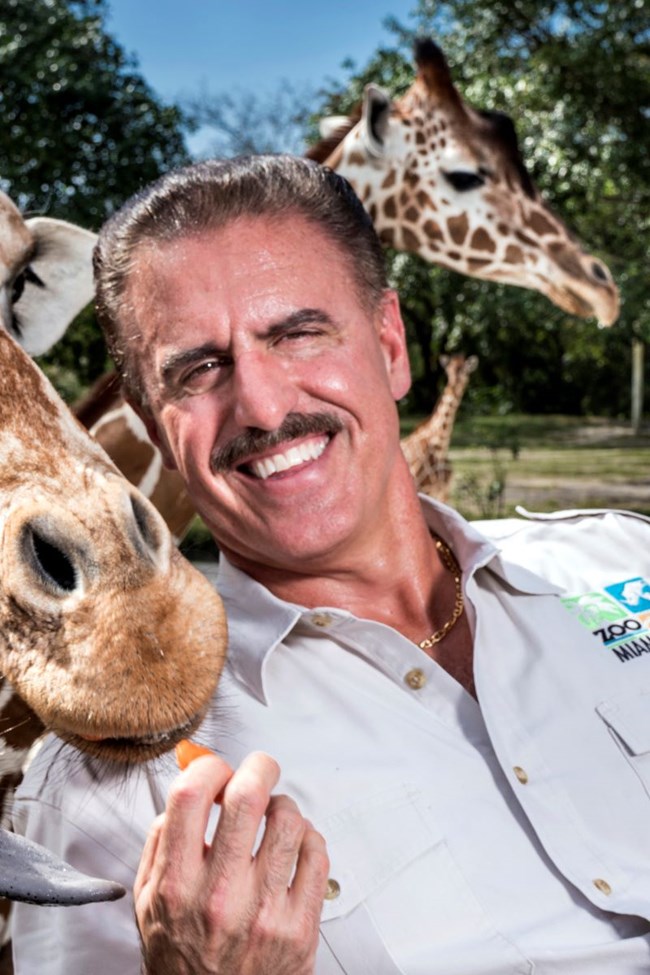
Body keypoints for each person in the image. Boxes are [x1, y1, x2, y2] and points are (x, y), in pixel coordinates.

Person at [11, 155, 650, 975]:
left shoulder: (621, 556)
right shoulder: (111, 782)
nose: (267, 407)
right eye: (199, 369)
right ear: (153, 423)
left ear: (389, 345)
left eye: (298, 332)